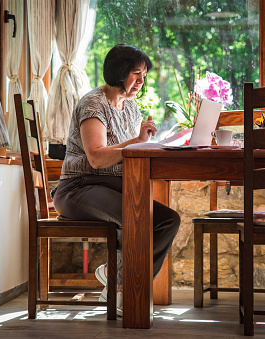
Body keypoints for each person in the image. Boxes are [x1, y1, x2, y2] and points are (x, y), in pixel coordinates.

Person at [51, 44, 181, 316]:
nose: (141, 81)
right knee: (136, 218)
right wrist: (137, 143)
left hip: (109, 186)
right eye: (136, 73)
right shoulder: (93, 103)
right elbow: (97, 158)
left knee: (168, 220)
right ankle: (124, 291)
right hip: (79, 187)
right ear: (119, 72)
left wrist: (153, 144)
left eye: (144, 75)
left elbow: (127, 154)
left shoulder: (131, 109)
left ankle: (114, 275)